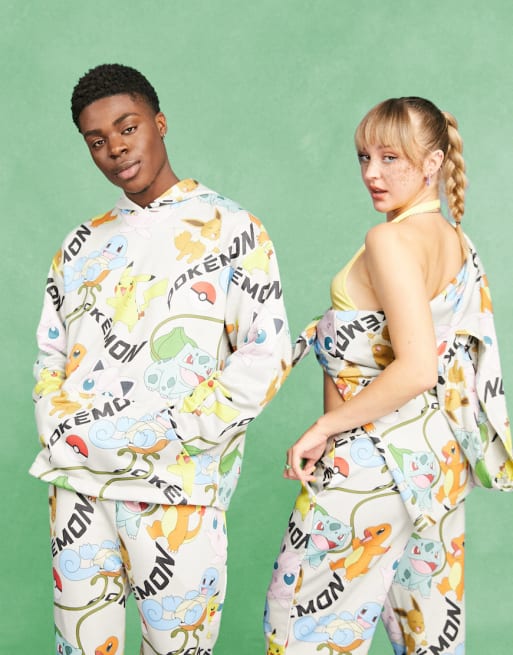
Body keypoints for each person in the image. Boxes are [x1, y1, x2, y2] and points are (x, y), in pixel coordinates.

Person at [30, 63, 291, 655]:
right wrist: (61, 426)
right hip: (78, 483)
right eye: (97, 140)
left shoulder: (232, 229)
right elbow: (50, 351)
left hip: (179, 487)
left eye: (128, 128)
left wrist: (176, 431)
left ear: (160, 122)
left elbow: (265, 353)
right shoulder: (80, 244)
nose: (115, 148)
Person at [264, 97, 513, 655]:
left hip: (371, 465)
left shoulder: (390, 240)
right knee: (429, 636)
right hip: (435, 467)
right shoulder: (456, 242)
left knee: (301, 628)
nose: (372, 173)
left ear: (432, 163)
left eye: (390, 158)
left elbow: (418, 367)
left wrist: (324, 427)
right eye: (364, 157)